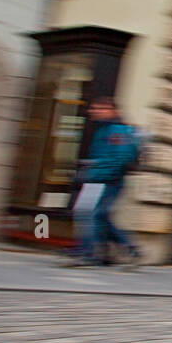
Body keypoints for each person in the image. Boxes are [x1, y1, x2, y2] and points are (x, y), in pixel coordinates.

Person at [66, 97, 144, 268]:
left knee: (92, 214)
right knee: (96, 215)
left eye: (99, 108)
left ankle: (88, 253)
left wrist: (105, 173)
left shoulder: (118, 131)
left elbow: (123, 158)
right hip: (97, 179)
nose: (93, 111)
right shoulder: (104, 129)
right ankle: (129, 249)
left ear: (112, 111)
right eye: (93, 108)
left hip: (108, 181)